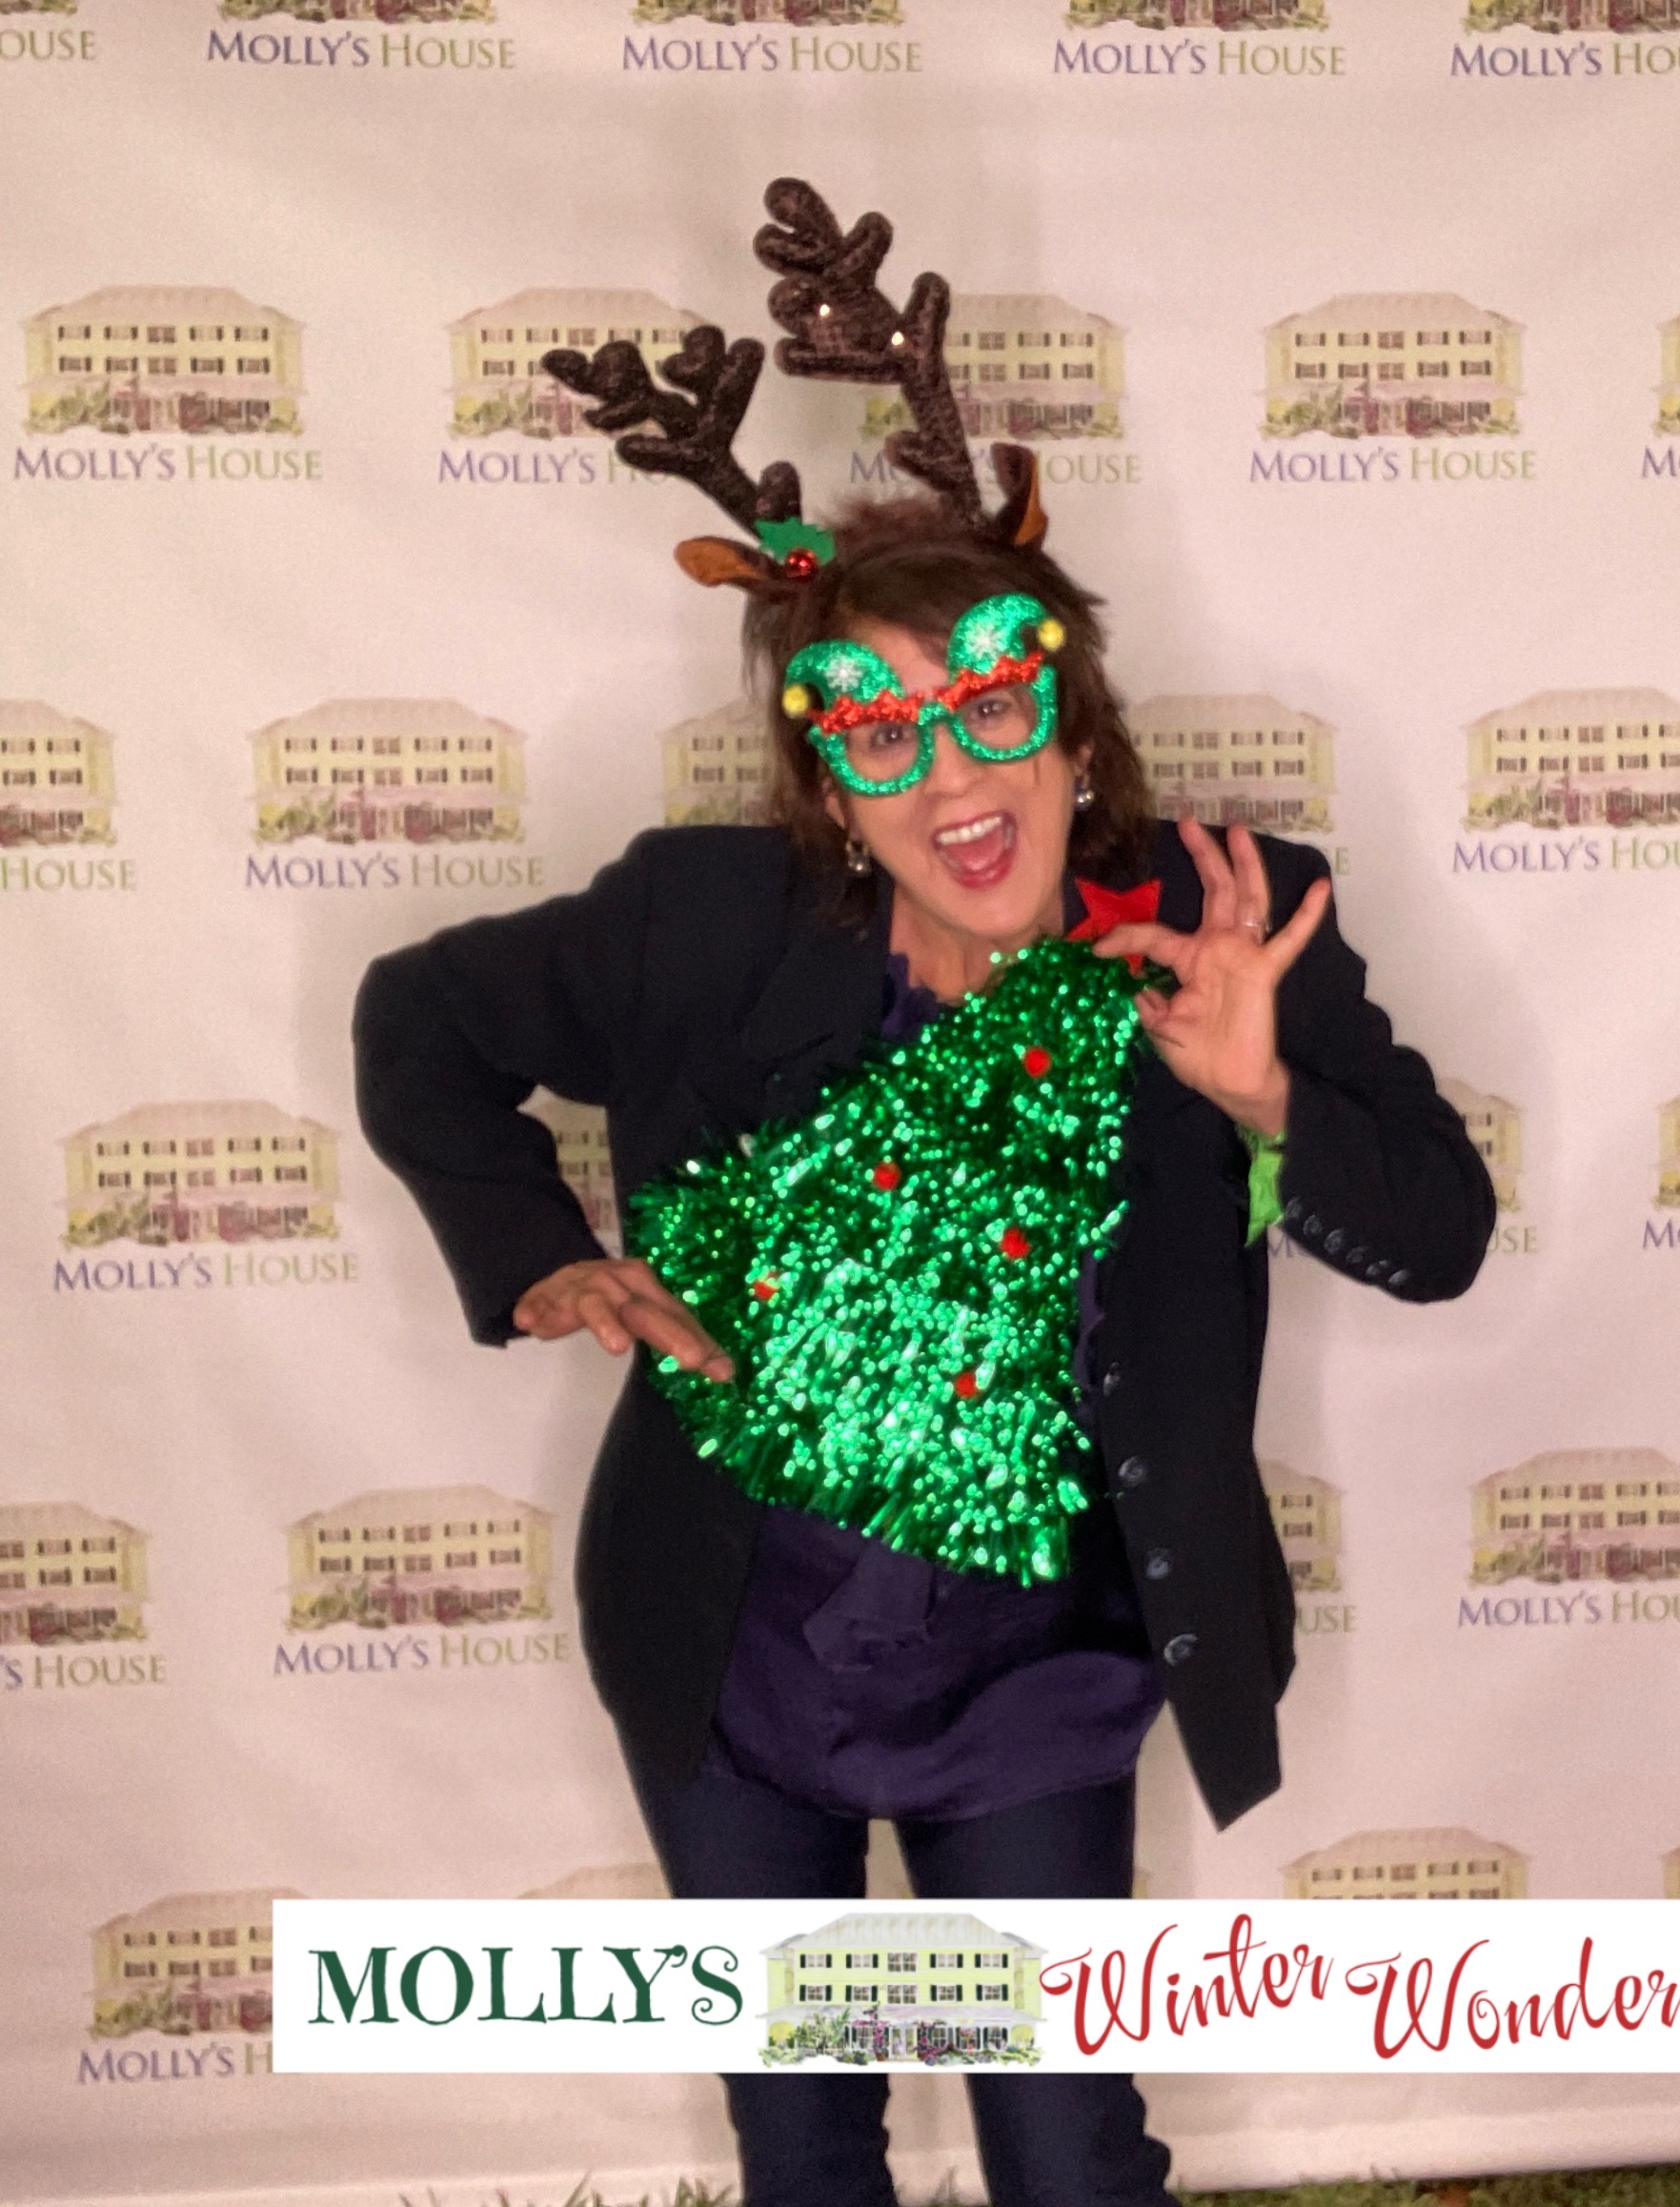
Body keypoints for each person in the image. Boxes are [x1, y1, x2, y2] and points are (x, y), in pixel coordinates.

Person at [354, 180, 1494, 2207]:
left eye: (988, 704)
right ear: (828, 789)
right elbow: (418, 1022)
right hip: (734, 1644)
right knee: (803, 2143)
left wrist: (1257, 1098)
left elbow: (1440, 1237)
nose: (949, 774)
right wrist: (540, 1259)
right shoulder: (703, 924)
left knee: (1067, 2151)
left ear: (1073, 727)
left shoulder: (1232, 917)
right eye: (877, 736)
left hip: (1035, 1672)